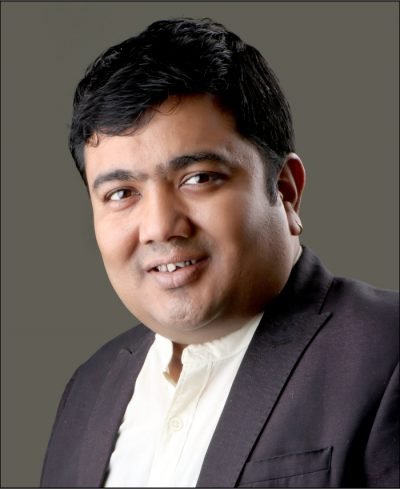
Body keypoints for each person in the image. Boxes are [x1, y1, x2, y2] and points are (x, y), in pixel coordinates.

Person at [40, 18, 399, 488]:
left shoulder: (387, 354)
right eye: (121, 193)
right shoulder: (87, 391)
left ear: (286, 191)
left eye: (198, 178)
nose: (160, 227)